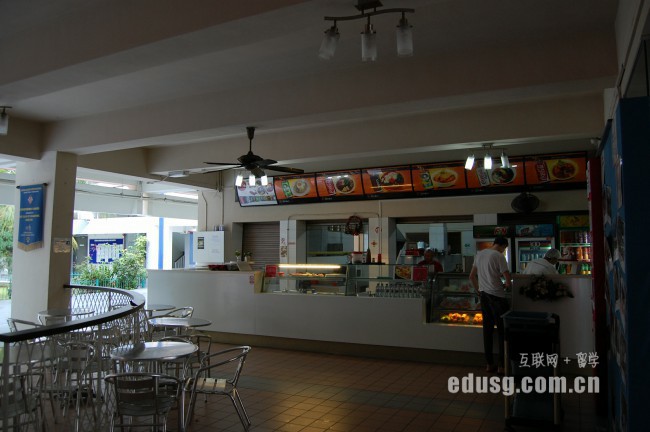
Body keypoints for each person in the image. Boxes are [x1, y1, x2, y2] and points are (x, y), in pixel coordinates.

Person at [469, 236, 512, 374]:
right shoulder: (499, 256)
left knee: (487, 331)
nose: (504, 250)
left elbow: (471, 276)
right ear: (503, 245)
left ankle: (489, 364)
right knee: (502, 331)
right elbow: (508, 280)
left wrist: (478, 291)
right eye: (504, 248)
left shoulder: (480, 254)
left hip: (484, 297)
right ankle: (501, 366)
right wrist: (507, 285)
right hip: (498, 297)